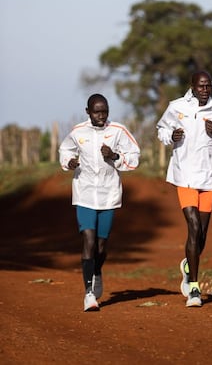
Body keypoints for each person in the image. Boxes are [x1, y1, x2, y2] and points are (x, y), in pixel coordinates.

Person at [156, 71, 212, 307]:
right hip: (184, 175)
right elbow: (161, 130)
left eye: (208, 86)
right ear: (192, 87)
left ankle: (187, 265)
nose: (205, 90)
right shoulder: (177, 107)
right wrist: (170, 135)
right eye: (200, 86)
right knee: (193, 226)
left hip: (208, 178)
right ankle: (194, 288)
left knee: (201, 236)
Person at [59, 93, 140, 312]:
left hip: (108, 194)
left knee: (102, 246)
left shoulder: (118, 131)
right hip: (84, 193)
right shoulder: (78, 132)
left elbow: (134, 156)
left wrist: (115, 156)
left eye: (105, 111)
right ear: (88, 112)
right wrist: (69, 161)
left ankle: (96, 271)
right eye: (97, 111)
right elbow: (64, 150)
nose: (101, 115)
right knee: (88, 238)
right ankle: (88, 294)